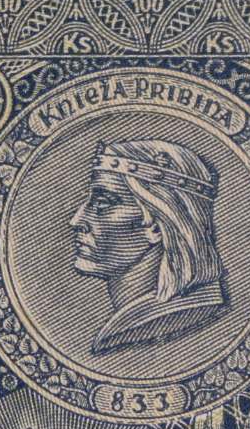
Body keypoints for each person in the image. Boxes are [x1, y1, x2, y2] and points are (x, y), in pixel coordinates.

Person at [69, 138, 228, 354]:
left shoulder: (168, 323)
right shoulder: (124, 328)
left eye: (102, 203)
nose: (77, 220)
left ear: (155, 226)